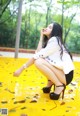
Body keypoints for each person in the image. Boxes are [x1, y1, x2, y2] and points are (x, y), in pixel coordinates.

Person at [13, 22, 75, 100]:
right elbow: (38, 53)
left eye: (49, 27)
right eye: (47, 26)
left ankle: (59, 85)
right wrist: (41, 37)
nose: (46, 28)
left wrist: (20, 69)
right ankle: (51, 82)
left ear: (54, 31)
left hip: (66, 76)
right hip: (62, 74)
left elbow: (37, 56)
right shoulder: (51, 41)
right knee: (41, 59)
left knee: (39, 62)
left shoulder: (55, 40)